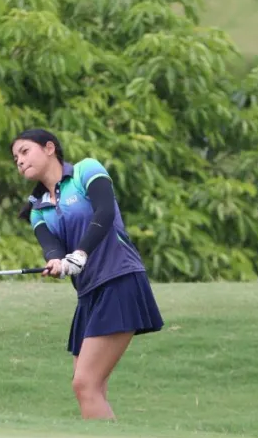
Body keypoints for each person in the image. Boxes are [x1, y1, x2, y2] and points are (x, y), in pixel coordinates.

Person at [10, 128, 164, 420]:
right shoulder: (37, 209)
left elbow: (104, 213)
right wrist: (57, 263)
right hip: (89, 294)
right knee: (91, 387)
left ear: (49, 148)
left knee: (85, 383)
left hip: (119, 279)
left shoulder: (86, 171)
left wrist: (79, 254)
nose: (19, 160)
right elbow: (51, 248)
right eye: (15, 157)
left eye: (25, 151)